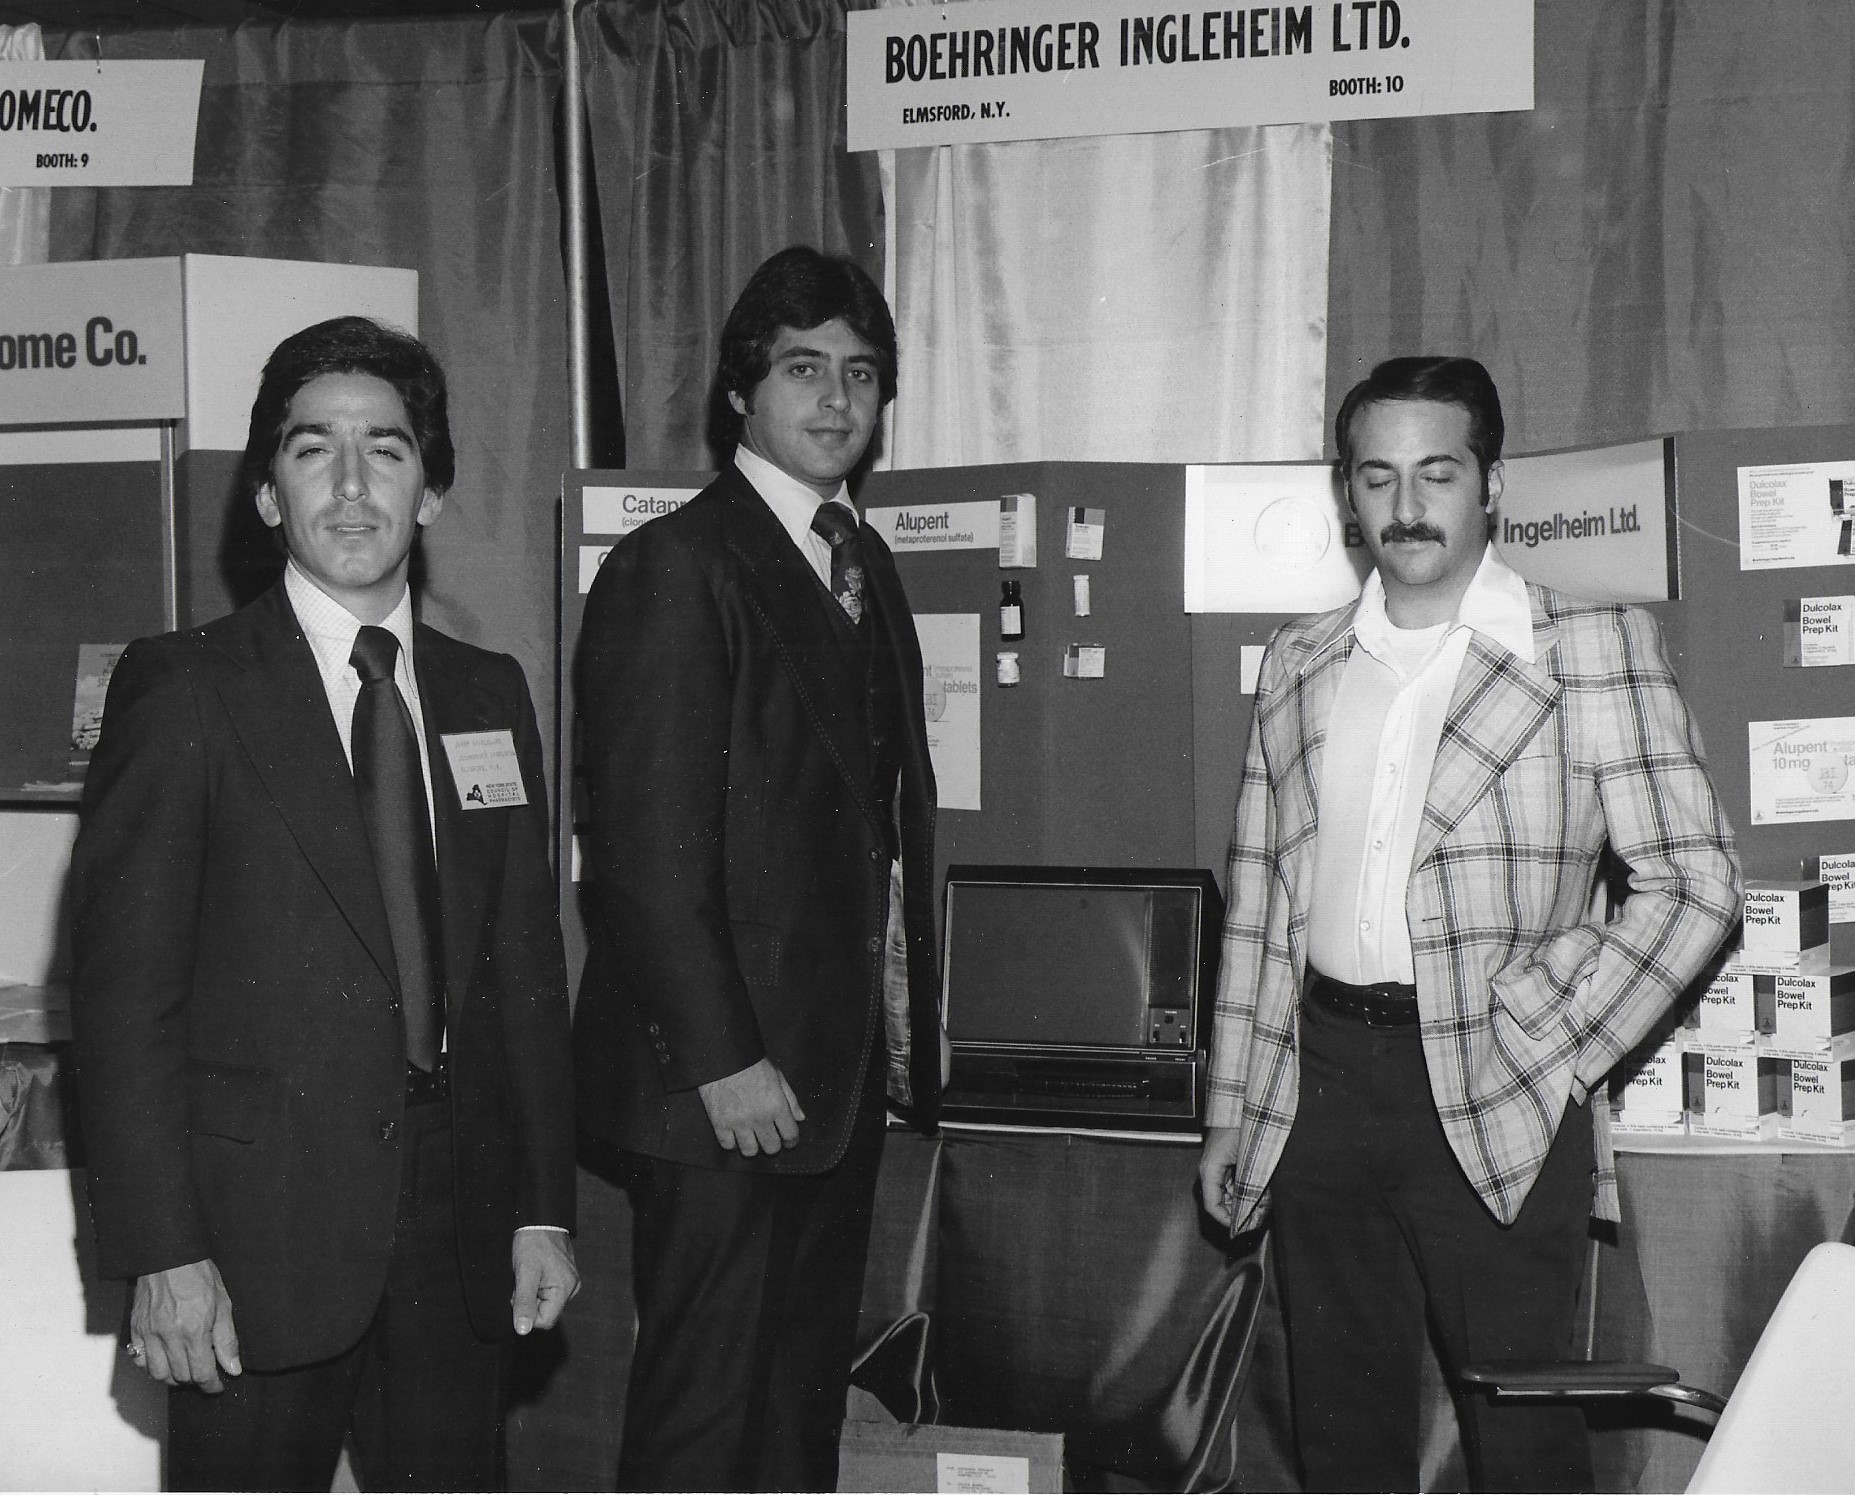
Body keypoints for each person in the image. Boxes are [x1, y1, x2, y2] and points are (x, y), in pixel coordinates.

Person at [1197, 356, 1740, 1492]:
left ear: (1491, 485)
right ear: (1347, 494)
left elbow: (1693, 882)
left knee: (1524, 1440)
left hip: (1496, 1091)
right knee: (1340, 1432)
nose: (1404, 507)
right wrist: (1230, 1114)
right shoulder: (1300, 661)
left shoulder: (1587, 645)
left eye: (1435, 474)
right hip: (1317, 1087)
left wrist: (1546, 1035)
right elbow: (1258, 906)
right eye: (1377, 477)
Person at [68, 316, 579, 1492]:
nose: (352, 487)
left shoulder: (488, 693)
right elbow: (124, 1003)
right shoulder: (184, 686)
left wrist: (541, 1205)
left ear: (433, 489)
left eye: (387, 451)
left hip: (459, 1233)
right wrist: (163, 1251)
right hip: (254, 1244)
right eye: (314, 450)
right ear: (264, 493)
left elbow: (525, 971)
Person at [573, 245, 944, 1492]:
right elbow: (637, 855)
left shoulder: (860, 559)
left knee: (792, 1422)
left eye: (860, 373)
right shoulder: (677, 566)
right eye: (802, 369)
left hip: (828, 1086)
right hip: (721, 1087)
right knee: (702, 1421)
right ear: (742, 390)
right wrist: (726, 1057)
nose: (836, 399)